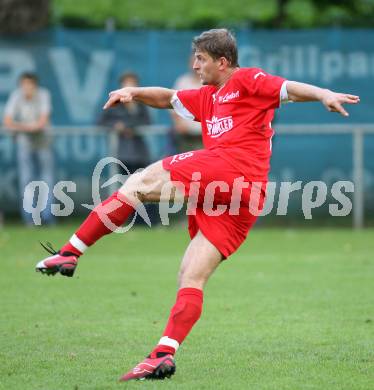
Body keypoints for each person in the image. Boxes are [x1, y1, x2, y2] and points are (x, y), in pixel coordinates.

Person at [35, 29, 359, 381]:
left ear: (223, 62)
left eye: (201, 59)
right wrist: (134, 92)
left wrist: (324, 93)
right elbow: (169, 98)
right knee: (191, 275)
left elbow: (288, 89)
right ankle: (163, 355)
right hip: (240, 200)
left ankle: (71, 251)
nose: (194, 65)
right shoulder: (209, 96)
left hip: (233, 172)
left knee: (139, 183)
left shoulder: (247, 79)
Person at [3, 72, 54, 225]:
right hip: (25, 143)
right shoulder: (16, 96)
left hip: (44, 142)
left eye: (30, 84)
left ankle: (47, 218)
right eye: (24, 84)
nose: (27, 87)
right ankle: (29, 219)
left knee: (47, 180)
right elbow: (7, 121)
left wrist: (21, 127)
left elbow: (42, 122)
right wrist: (28, 127)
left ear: (35, 85)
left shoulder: (44, 95)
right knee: (26, 180)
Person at [97, 72, 151, 174]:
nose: (129, 87)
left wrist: (128, 127)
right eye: (126, 84)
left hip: (140, 153)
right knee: (124, 185)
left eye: (133, 84)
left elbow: (147, 121)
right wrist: (115, 126)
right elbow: (101, 121)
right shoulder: (114, 104)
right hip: (121, 153)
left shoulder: (142, 104)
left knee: (141, 184)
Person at [171, 54, 203, 152]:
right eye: (193, 62)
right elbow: (173, 104)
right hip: (186, 136)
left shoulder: (210, 82)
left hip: (205, 135)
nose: (196, 65)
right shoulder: (182, 82)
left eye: (199, 62)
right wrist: (179, 123)